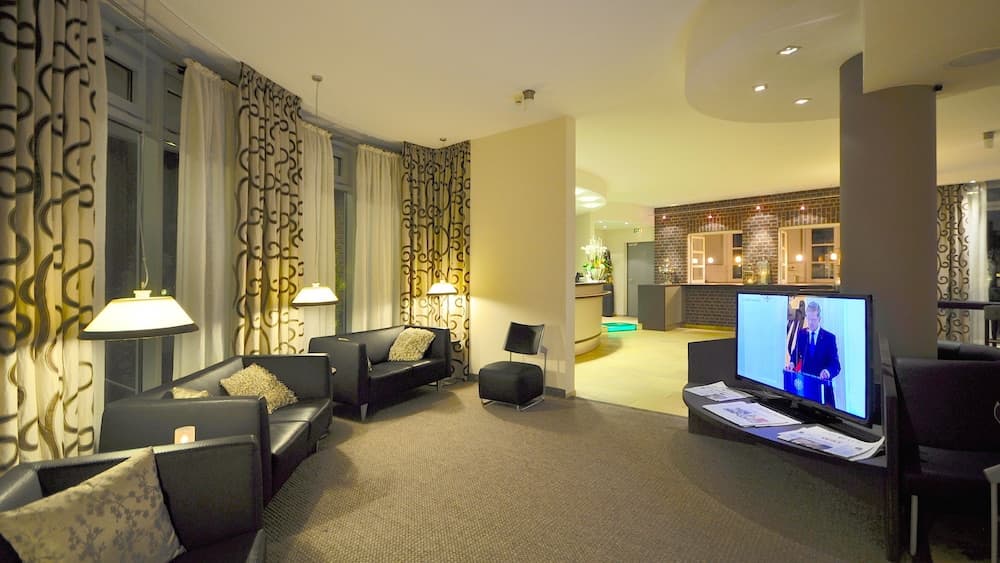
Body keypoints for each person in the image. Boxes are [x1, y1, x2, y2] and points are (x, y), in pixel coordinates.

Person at [785, 301, 841, 406]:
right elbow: (796, 353)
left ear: (819, 319)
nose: (810, 323)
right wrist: (792, 363)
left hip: (823, 391)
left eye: (813, 320)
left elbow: (836, 364)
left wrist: (827, 372)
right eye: (809, 319)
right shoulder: (802, 334)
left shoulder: (829, 338)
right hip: (805, 389)